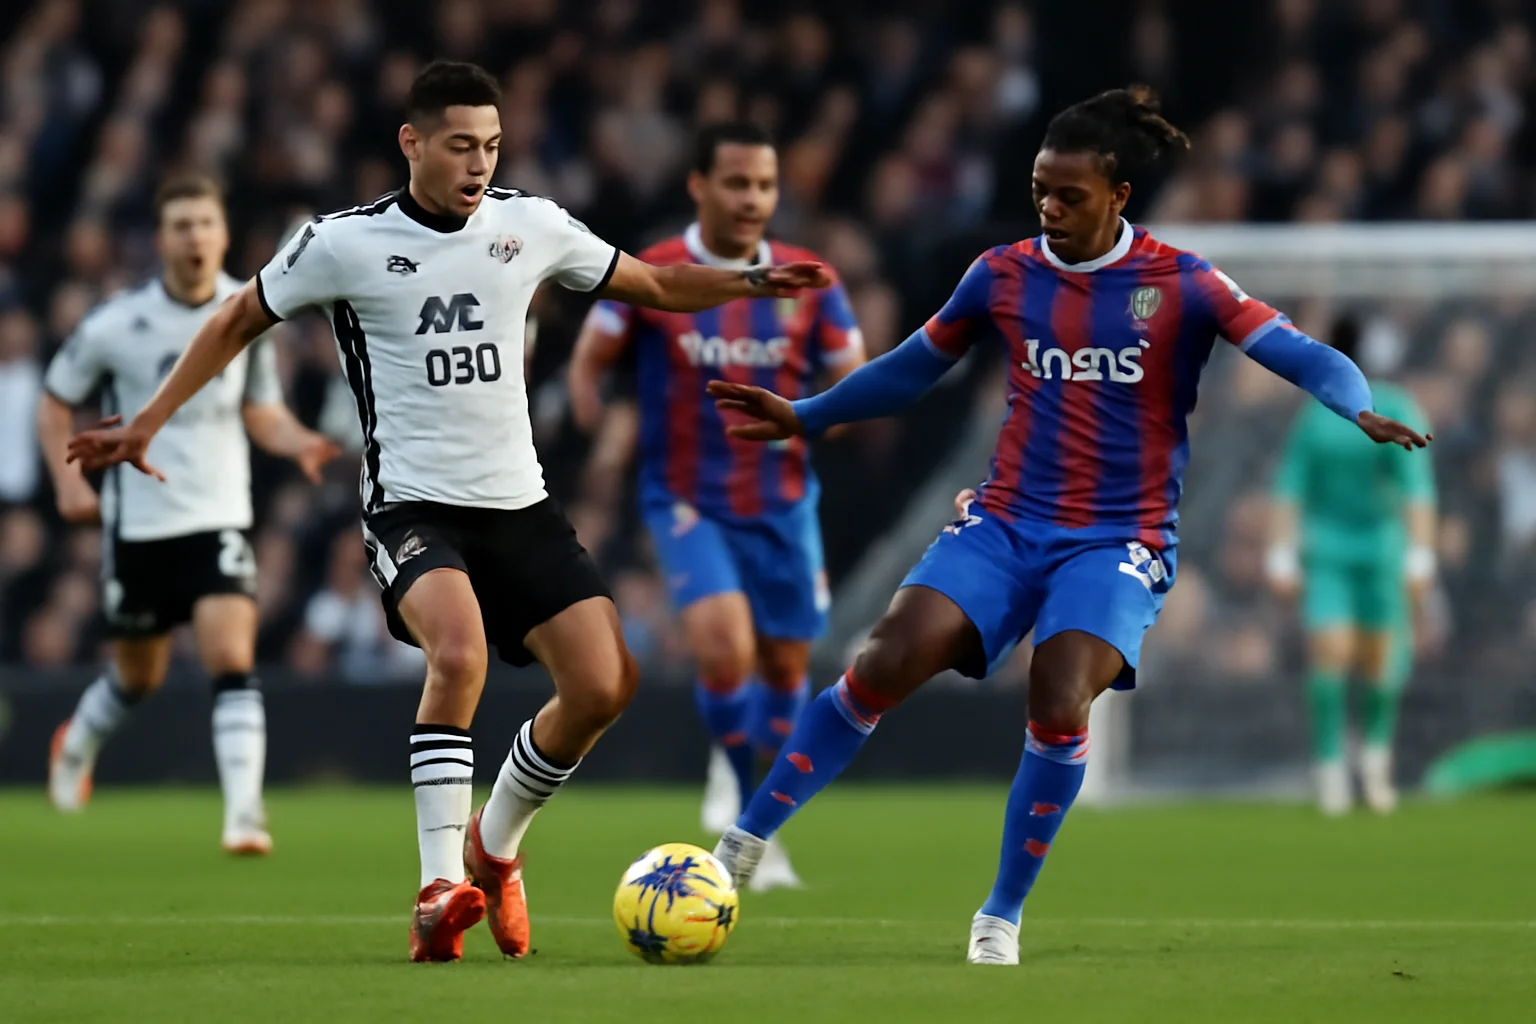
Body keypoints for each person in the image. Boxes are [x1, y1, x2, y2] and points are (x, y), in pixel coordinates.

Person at [67, 61, 830, 963]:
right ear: (413, 142)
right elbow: (237, 320)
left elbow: (656, 289)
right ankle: (436, 892)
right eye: (462, 145)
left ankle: (492, 848)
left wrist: (747, 284)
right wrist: (147, 420)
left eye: (492, 147)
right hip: (411, 507)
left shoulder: (529, 225)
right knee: (458, 654)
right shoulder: (341, 243)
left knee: (603, 684)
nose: (479, 164)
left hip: (519, 504)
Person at [702, 87, 1430, 966]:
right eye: (1040, 189)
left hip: (1119, 538)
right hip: (1005, 522)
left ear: (1118, 195)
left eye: (1070, 195)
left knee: (1058, 694)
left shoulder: (1181, 281)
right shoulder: (1002, 273)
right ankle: (740, 846)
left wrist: (1356, 405)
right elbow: (911, 369)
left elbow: (1299, 351)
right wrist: (807, 413)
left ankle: (1000, 915)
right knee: (886, 657)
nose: (1049, 207)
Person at [567, 122, 865, 890]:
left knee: (786, 666)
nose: (751, 198)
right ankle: (738, 799)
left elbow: (854, 376)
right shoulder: (657, 269)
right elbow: (592, 355)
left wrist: (826, 413)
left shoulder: (809, 280)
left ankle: (757, 809)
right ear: (699, 185)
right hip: (685, 498)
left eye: (764, 185)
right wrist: (593, 412)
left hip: (783, 502)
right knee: (724, 645)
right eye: (736, 183)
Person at [38, 174, 340, 855]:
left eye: (205, 223)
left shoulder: (247, 311)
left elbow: (260, 409)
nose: (195, 237)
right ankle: (77, 740)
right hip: (140, 526)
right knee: (137, 677)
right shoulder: (116, 323)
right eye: (181, 225)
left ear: (223, 234)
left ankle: (244, 815)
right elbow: (55, 397)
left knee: (231, 658)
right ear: (160, 239)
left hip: (218, 516)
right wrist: (69, 485)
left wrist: (299, 441)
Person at [1266, 315, 1436, 816]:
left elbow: (1416, 489)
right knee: (1331, 650)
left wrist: (1420, 555)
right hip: (1329, 552)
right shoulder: (1317, 417)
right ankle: (1329, 764)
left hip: (1382, 550)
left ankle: (1376, 758)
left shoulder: (1398, 407)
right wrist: (1281, 553)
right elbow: (1290, 487)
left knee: (1382, 659)